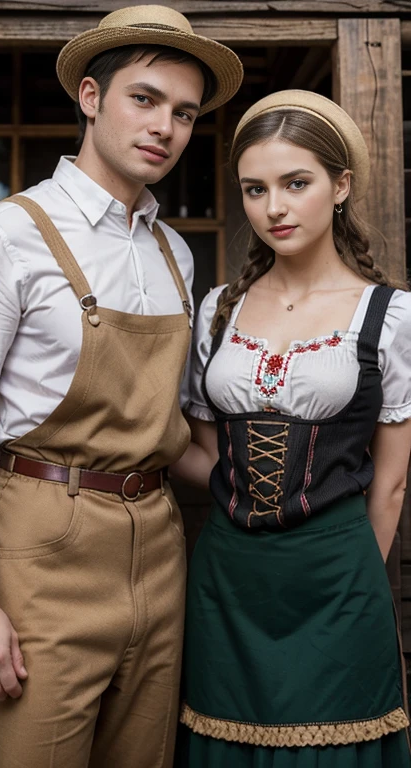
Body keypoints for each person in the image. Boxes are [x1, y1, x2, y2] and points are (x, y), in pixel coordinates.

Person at [0, 6, 243, 767]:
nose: (166, 125)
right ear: (91, 98)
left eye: (185, 113)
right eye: (145, 98)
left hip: (160, 544)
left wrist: (284, 487)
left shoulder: (175, 257)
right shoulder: (7, 235)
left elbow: (182, 430)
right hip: (41, 546)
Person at [174, 89, 411, 767]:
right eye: (255, 189)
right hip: (228, 576)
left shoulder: (391, 317)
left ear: (340, 186)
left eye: (295, 183)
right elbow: (201, 452)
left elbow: (390, 485)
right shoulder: (219, 309)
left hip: (338, 579)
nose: (273, 207)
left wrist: (348, 581)